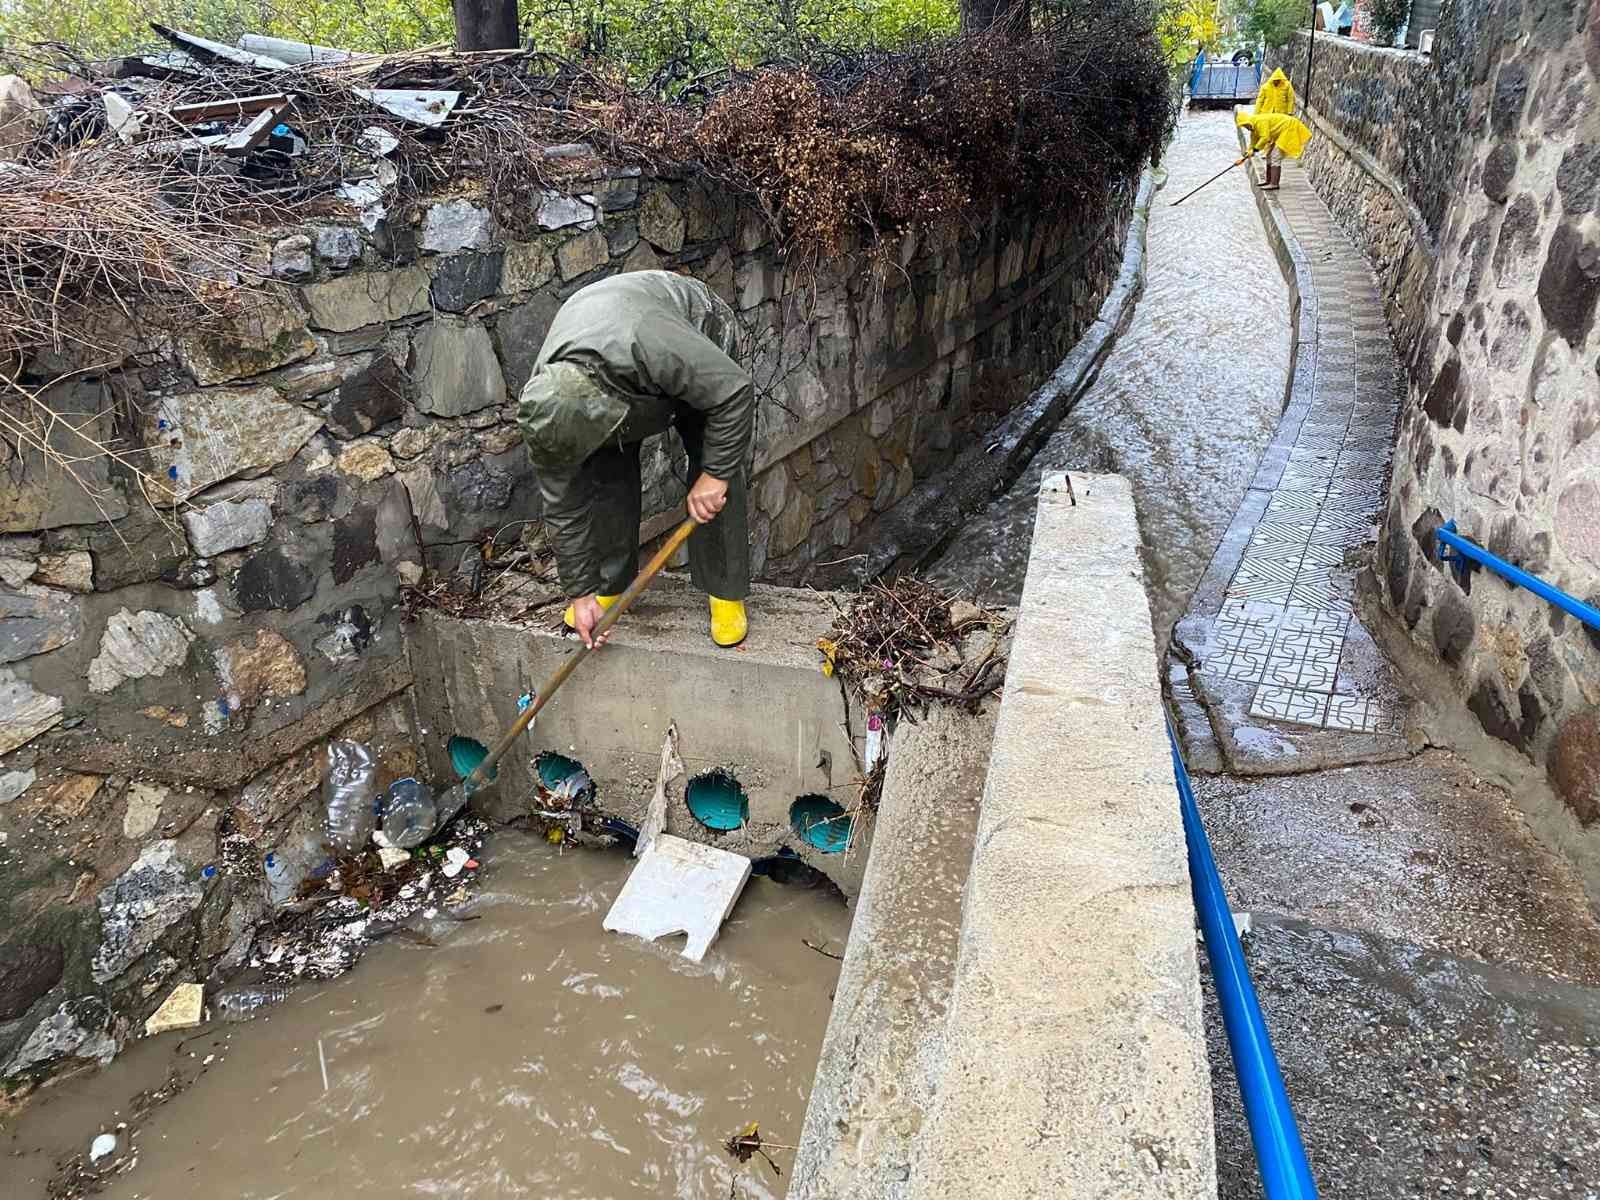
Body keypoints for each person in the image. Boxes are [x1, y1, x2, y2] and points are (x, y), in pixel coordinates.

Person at [517, 271, 753, 651]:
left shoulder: (650, 341)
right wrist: (581, 594)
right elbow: (564, 508)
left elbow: (734, 392)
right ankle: (611, 585)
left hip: (696, 330)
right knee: (604, 470)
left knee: (714, 453)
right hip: (620, 366)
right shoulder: (546, 409)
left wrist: (715, 474)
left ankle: (724, 589)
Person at [1236, 110, 1312, 191]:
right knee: (1268, 155)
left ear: (1248, 121)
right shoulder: (1253, 127)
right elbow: (1253, 141)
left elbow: (1265, 137)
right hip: (1280, 132)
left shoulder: (1260, 122)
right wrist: (1249, 151)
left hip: (1289, 128)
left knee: (1275, 156)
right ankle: (1268, 181)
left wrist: (1255, 150)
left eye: (1245, 125)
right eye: (1243, 126)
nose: (1246, 128)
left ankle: (1274, 184)